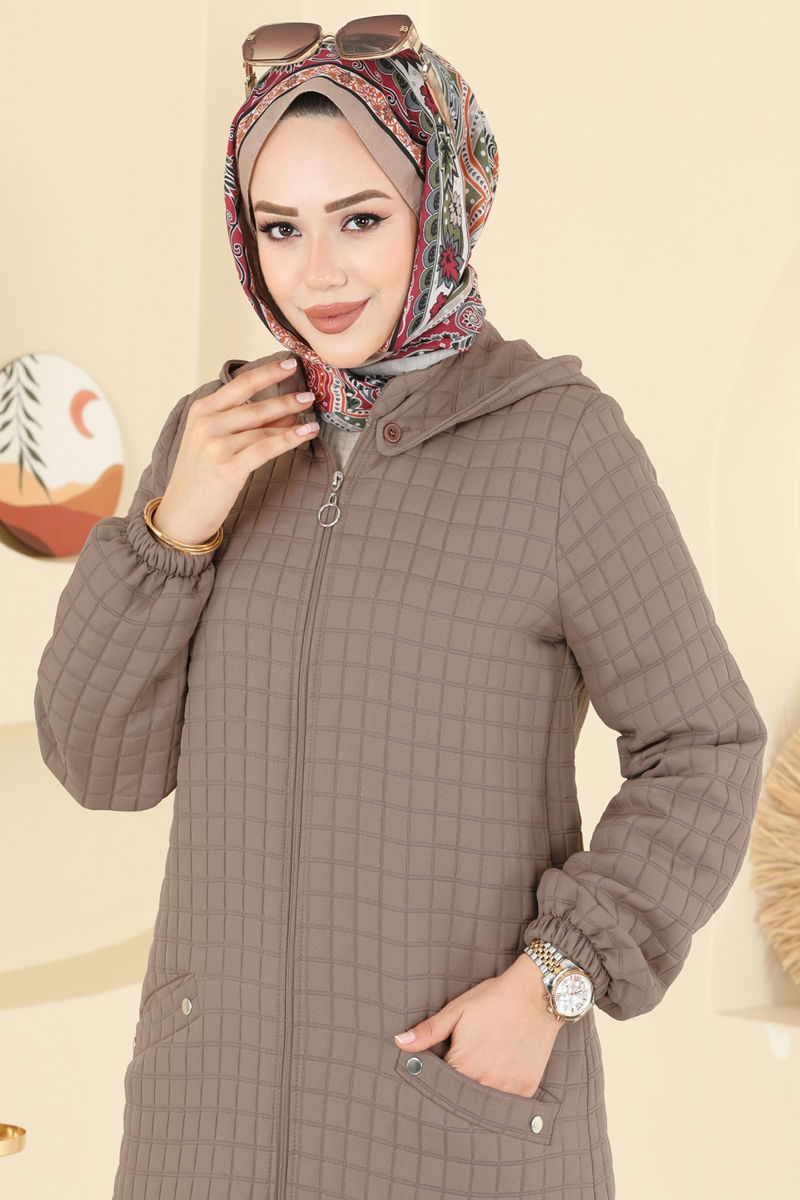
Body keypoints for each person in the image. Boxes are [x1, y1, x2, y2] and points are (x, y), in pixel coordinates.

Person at [34, 17, 768, 1200]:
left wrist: (552, 980)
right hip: (203, 1132)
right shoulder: (216, 438)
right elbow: (97, 763)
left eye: (360, 220)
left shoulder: (558, 446)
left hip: (446, 1127)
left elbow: (703, 744)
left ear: (439, 208)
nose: (317, 275)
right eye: (280, 227)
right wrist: (174, 526)